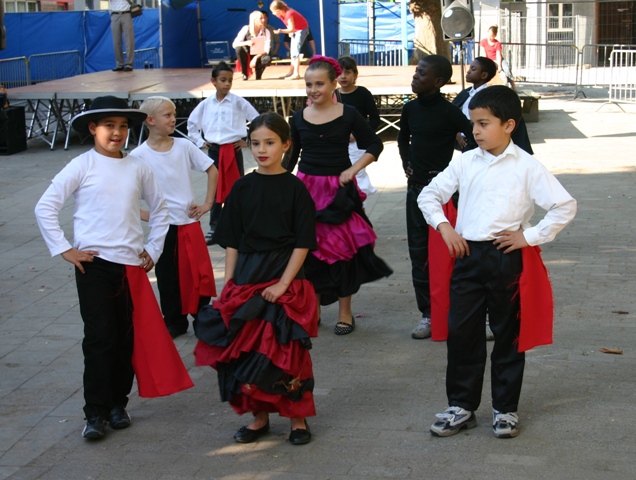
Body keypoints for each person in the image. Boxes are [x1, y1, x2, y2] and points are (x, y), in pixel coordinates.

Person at [419, 85, 576, 438]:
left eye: (483, 123)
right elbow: (430, 195)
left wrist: (529, 236)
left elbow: (564, 206)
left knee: (508, 335)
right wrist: (445, 228)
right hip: (467, 256)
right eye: (473, 123)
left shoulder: (528, 166)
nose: (475, 131)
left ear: (508, 125)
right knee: (462, 333)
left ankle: (505, 409)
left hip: (507, 257)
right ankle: (461, 405)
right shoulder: (463, 161)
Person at [34, 96, 194, 440]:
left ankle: (118, 405)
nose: (117, 132)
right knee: (99, 339)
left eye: (122, 126)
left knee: (125, 338)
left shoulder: (137, 166)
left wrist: (153, 248)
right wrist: (66, 249)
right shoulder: (82, 165)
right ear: (93, 129)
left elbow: (161, 210)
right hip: (93, 267)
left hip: (131, 269)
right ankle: (95, 413)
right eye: (109, 126)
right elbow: (45, 207)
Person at [194, 112, 318, 446]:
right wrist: (229, 284)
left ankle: (297, 418)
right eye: (255, 143)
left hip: (285, 275)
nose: (262, 150)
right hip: (247, 276)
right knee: (247, 350)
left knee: (286, 349)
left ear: (286, 145)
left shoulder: (296, 190)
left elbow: (303, 242)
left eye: (270, 142)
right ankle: (259, 417)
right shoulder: (242, 187)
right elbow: (232, 240)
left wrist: (282, 285)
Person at [287, 56, 392, 335]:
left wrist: (353, 169)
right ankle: (314, 310)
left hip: (338, 193)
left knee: (342, 252)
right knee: (308, 252)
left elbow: (374, 144)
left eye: (319, 84)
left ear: (334, 84)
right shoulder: (297, 118)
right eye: (308, 84)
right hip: (306, 191)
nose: (313, 89)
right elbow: (290, 157)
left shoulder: (349, 114)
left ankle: (345, 312)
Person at [397, 55, 473, 341]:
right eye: (416, 72)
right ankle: (427, 314)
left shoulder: (449, 112)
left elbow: (475, 138)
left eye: (422, 74)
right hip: (415, 191)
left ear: (438, 82)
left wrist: (458, 169)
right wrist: (406, 162)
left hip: (443, 196)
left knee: (448, 254)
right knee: (419, 255)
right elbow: (404, 138)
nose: (415, 77)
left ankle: (457, 311)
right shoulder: (410, 109)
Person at [132, 96, 219, 339]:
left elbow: (212, 169)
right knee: (167, 276)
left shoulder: (184, 146)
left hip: (189, 223)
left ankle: (202, 316)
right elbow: (125, 193)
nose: (173, 119)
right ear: (150, 120)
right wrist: (143, 214)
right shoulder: (138, 156)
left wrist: (207, 203)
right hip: (163, 228)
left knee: (198, 273)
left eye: (173, 114)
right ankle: (174, 320)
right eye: (167, 115)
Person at [186, 62, 259, 245]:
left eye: (230, 81)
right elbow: (191, 125)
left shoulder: (238, 102)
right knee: (215, 188)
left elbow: (258, 120)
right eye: (223, 80)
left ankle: (239, 225)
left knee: (237, 187)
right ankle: (215, 227)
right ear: (213, 81)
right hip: (215, 150)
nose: (227, 84)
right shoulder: (205, 104)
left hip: (233, 150)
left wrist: (248, 141)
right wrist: (201, 142)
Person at [453, 56, 533, 155]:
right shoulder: (466, 93)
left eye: (473, 69)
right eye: (469, 68)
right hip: (465, 144)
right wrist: (457, 133)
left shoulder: (491, 99)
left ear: (484, 75)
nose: (468, 72)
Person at [336, 55, 380, 204]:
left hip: (358, 145)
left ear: (355, 75)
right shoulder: (333, 95)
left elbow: (375, 119)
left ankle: (360, 210)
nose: (343, 76)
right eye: (340, 72)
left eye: (347, 72)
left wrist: (358, 134)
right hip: (338, 144)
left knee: (357, 176)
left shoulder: (362, 93)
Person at [269, 1, 310, 80]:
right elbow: (288, 25)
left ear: (279, 10)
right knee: (293, 52)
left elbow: (291, 28)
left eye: (273, 12)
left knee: (295, 51)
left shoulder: (289, 13)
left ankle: (296, 74)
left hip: (302, 29)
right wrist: (290, 32)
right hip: (296, 29)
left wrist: (281, 31)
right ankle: (291, 72)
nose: (273, 14)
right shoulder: (281, 15)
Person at [233, 10, 272, 81]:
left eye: (264, 18)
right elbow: (234, 44)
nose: (263, 20)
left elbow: (267, 49)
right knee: (238, 49)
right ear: (254, 20)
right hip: (247, 54)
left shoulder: (266, 31)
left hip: (259, 55)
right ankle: (245, 73)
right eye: (261, 18)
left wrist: (256, 58)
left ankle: (258, 74)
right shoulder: (246, 29)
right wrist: (247, 42)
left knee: (267, 58)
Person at [479, 25, 516, 90]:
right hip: (489, 59)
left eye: (492, 36)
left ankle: (513, 84)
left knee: (506, 69)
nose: (490, 37)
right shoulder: (483, 41)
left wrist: (499, 66)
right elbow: (483, 53)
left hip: (497, 59)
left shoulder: (497, 43)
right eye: (489, 35)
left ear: (495, 36)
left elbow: (498, 55)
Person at [109, 0, 135, 72]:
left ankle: (129, 64)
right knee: (116, 41)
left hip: (126, 13)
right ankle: (119, 64)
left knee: (129, 40)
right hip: (114, 14)